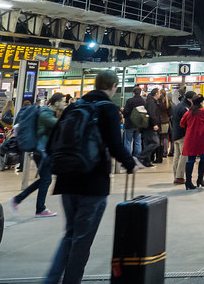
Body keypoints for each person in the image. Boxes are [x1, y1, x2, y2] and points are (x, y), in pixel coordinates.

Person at [44, 70, 136, 284]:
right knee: (82, 240)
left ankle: (51, 280)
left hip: (67, 181)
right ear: (113, 86)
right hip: (93, 182)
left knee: (70, 234)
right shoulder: (108, 109)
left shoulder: (74, 107)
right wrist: (130, 163)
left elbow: (52, 145)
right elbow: (114, 144)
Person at [10, 92, 64, 218]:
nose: (63, 104)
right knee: (46, 180)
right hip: (41, 152)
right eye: (62, 101)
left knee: (45, 179)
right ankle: (40, 209)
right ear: (56, 103)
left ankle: (18, 199)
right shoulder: (45, 113)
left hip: (43, 151)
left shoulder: (47, 113)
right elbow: (59, 124)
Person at [180, 94, 204, 190]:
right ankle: (200, 180)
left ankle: (188, 182)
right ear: (201, 102)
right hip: (203, 139)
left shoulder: (189, 112)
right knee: (203, 160)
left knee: (190, 160)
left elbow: (182, 124)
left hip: (191, 139)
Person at [121, 85, 145, 158]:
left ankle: (127, 157)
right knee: (138, 142)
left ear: (133, 93)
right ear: (140, 92)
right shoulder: (143, 101)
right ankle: (137, 157)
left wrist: (124, 113)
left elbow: (126, 112)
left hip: (130, 124)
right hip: (139, 124)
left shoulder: (129, 101)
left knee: (128, 141)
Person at [139, 87, 161, 167]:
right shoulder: (152, 102)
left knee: (148, 143)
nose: (160, 95)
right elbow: (152, 113)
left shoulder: (150, 100)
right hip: (150, 126)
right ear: (156, 94)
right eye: (159, 93)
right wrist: (155, 124)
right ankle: (141, 156)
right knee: (155, 143)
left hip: (147, 126)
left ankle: (146, 162)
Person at [156, 87, 172, 159]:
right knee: (165, 137)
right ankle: (165, 152)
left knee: (159, 138)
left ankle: (160, 153)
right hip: (166, 121)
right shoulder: (168, 102)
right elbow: (170, 113)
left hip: (160, 121)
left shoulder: (158, 102)